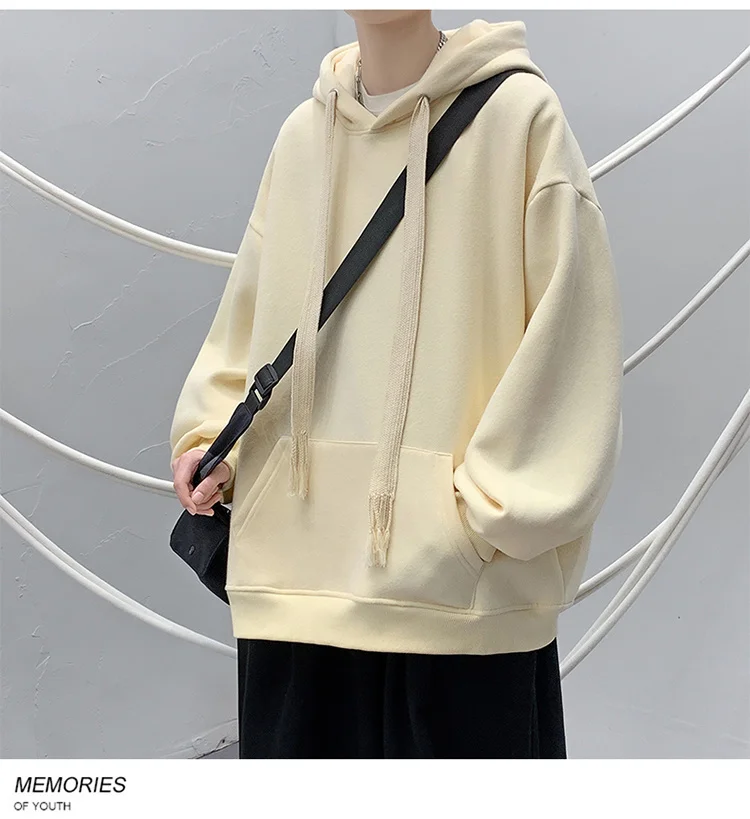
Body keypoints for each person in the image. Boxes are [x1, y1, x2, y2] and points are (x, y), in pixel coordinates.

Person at [170, 11, 624, 759]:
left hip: (460, 607)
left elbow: (571, 342)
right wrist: (213, 439)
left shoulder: (520, 120)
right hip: (294, 592)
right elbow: (248, 317)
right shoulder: (301, 138)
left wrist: (478, 524)